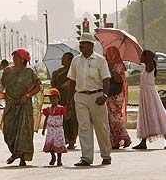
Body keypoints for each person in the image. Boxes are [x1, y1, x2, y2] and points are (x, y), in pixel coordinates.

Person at [67, 33, 112, 166]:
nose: (81, 45)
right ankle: (86, 157)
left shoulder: (100, 60)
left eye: (84, 43)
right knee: (84, 127)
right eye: (81, 43)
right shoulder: (76, 61)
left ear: (91, 45)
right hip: (80, 96)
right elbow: (72, 81)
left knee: (101, 127)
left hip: (97, 96)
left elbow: (106, 80)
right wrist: (69, 101)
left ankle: (106, 155)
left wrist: (104, 96)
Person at [0, 48, 41, 166]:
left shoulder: (29, 72)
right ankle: (15, 152)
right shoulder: (7, 71)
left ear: (23, 59)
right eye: (14, 56)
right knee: (8, 130)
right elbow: (1, 87)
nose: (14, 58)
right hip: (10, 104)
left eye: (17, 56)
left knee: (24, 131)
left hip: (24, 105)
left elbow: (38, 87)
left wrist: (27, 95)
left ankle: (21, 157)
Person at [133, 50, 166, 149]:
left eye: (142, 56)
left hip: (150, 95)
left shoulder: (150, 66)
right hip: (145, 95)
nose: (140, 58)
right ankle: (143, 142)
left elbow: (149, 63)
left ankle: (144, 142)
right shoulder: (148, 66)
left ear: (147, 57)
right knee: (147, 115)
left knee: (154, 114)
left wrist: (148, 58)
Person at [105, 47, 131, 149]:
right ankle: (114, 141)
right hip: (108, 94)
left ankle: (125, 137)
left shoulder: (119, 65)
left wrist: (111, 67)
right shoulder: (105, 64)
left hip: (116, 95)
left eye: (108, 53)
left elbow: (119, 80)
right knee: (108, 118)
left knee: (115, 117)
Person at [51, 52, 78, 149]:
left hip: (71, 97)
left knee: (72, 118)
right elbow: (54, 86)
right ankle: (63, 138)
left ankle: (72, 140)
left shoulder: (75, 71)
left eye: (64, 59)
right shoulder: (58, 71)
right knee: (61, 119)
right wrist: (53, 78)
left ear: (70, 60)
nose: (62, 60)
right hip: (60, 98)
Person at [42, 88, 69, 166]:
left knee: (59, 143)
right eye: (51, 99)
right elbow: (46, 119)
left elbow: (67, 117)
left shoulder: (61, 109)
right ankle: (53, 156)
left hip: (58, 129)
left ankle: (59, 159)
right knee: (50, 144)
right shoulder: (48, 109)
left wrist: (69, 111)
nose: (52, 100)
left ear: (58, 99)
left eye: (54, 98)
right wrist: (44, 129)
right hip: (50, 129)